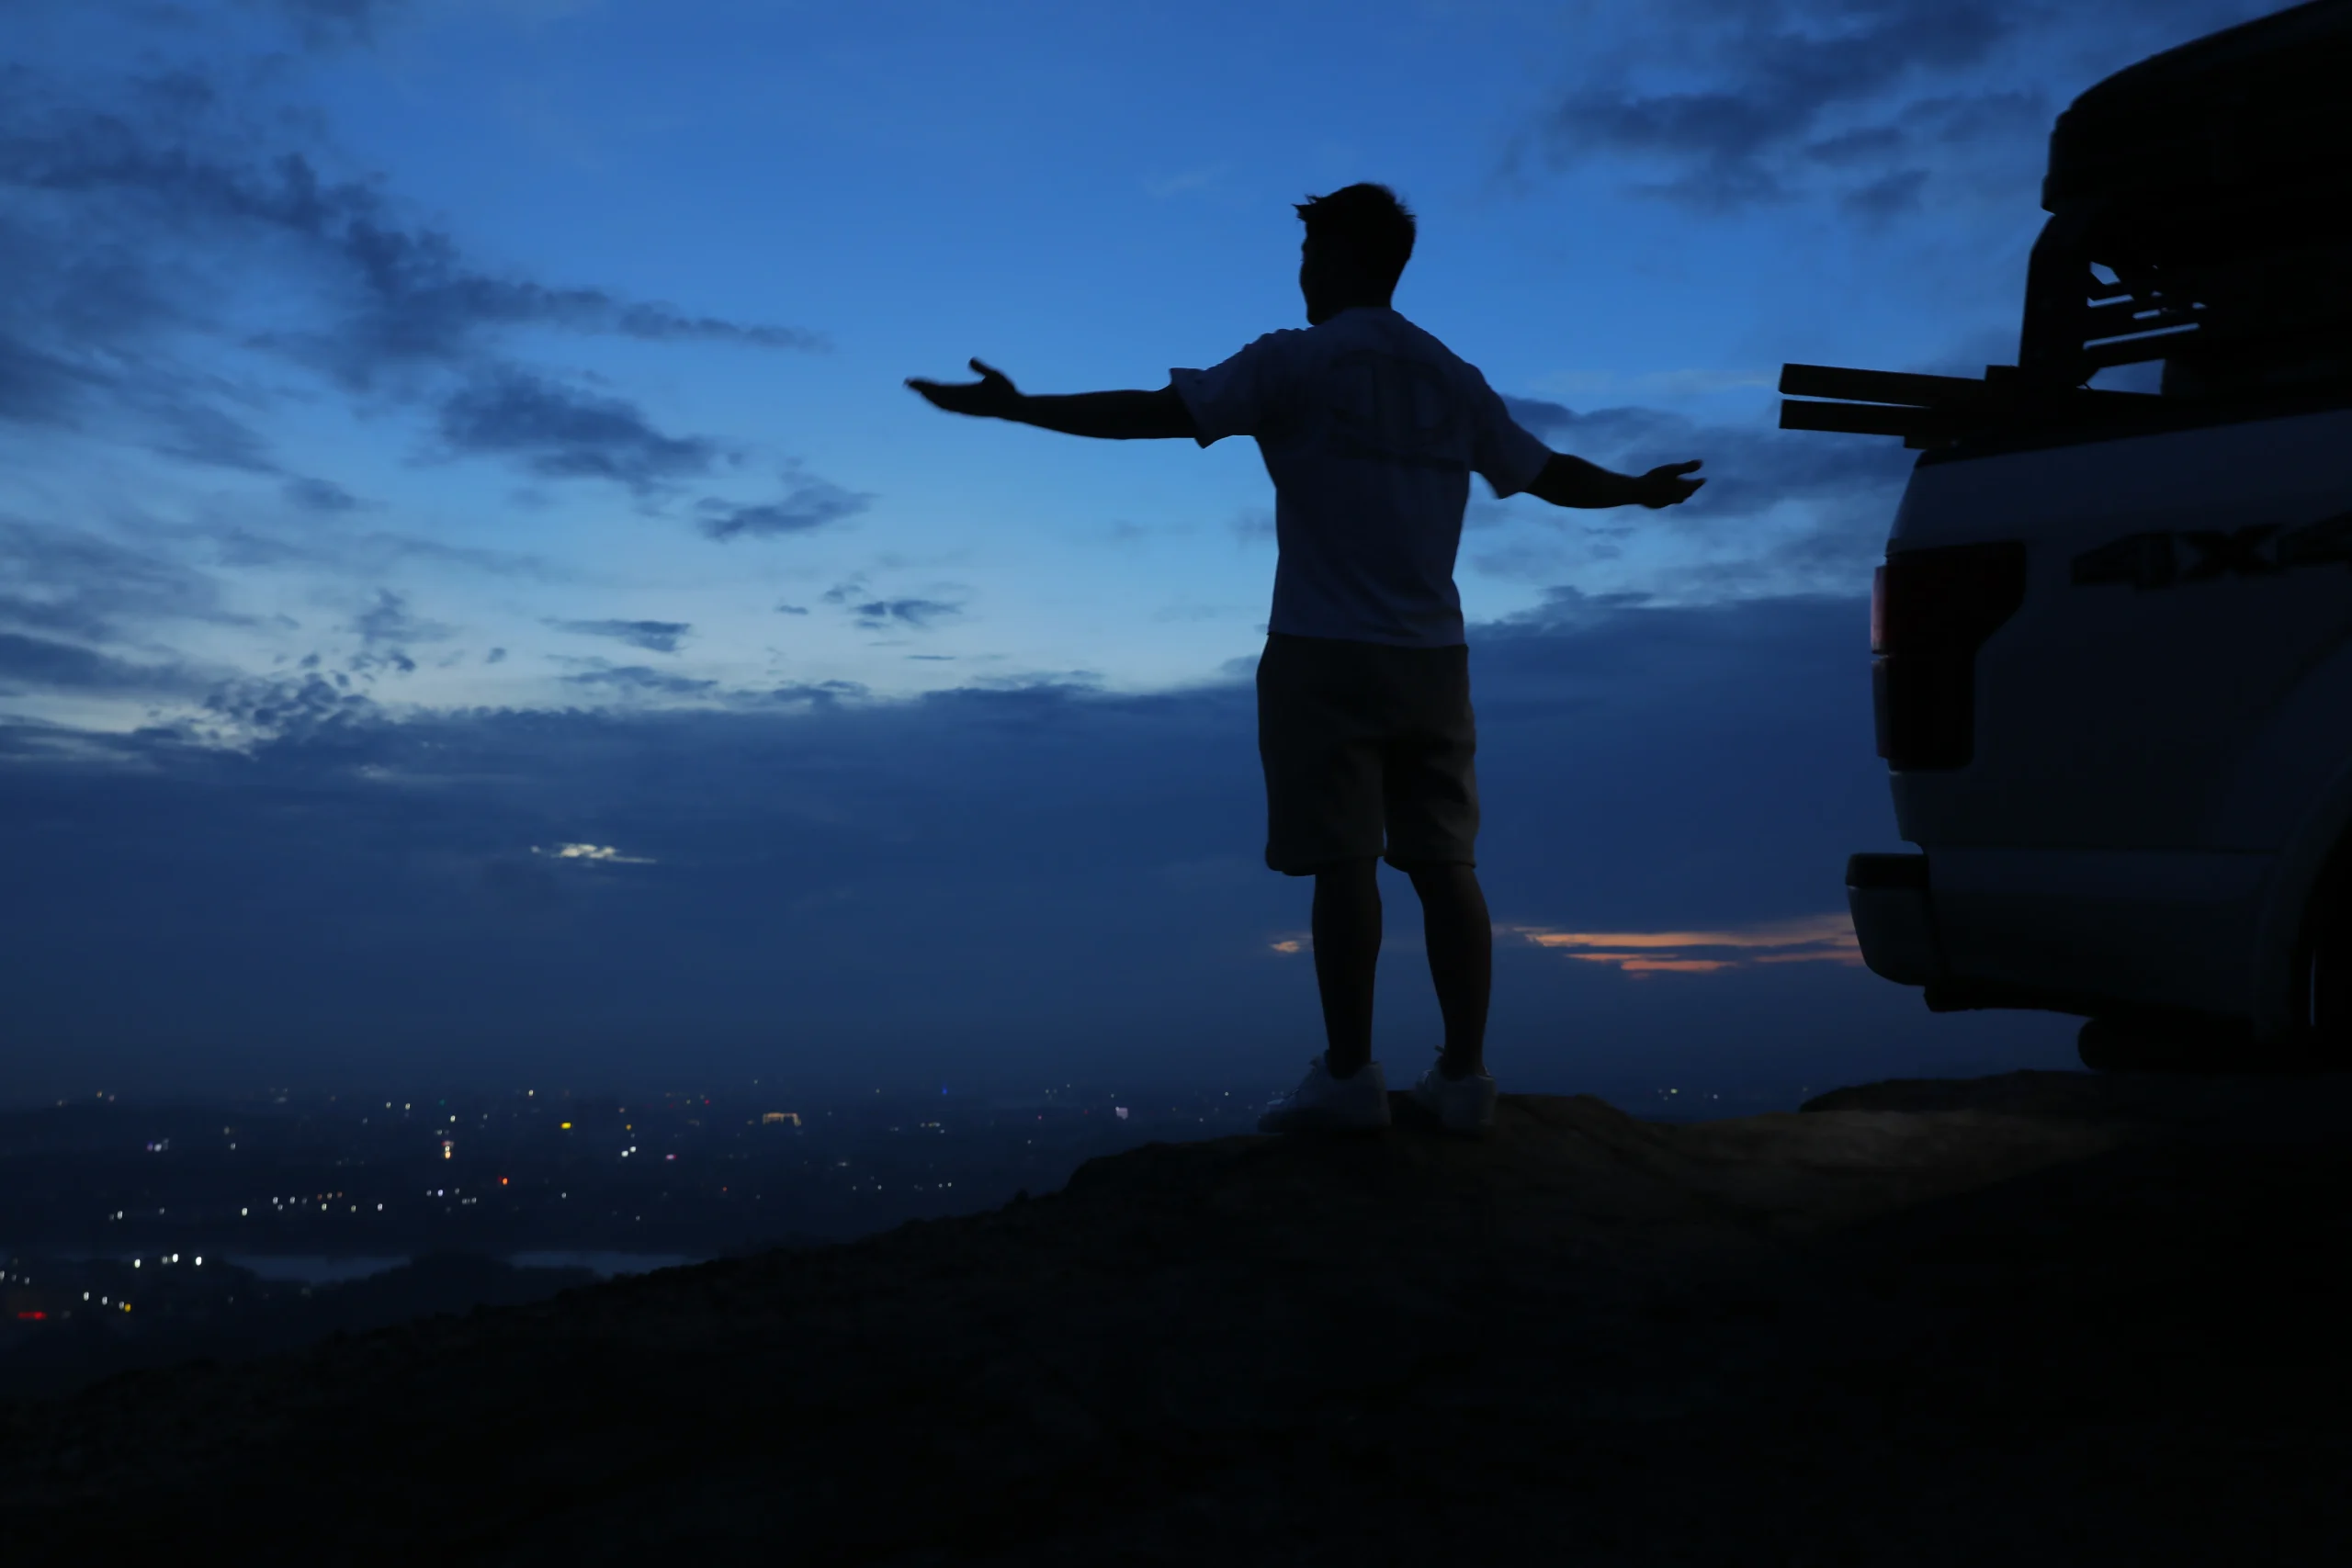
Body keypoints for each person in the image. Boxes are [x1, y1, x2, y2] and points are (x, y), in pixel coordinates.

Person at [908, 183, 1702, 1136]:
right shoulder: (1451, 375)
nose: (1302, 273)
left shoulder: (1296, 362)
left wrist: (1020, 410)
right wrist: (1640, 493)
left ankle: (1351, 1074)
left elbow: (1154, 415)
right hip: (1433, 659)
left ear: (1338, 260)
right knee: (1445, 862)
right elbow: (1544, 475)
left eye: (1311, 255)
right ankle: (1464, 1077)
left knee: (1344, 862)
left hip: (1321, 650)